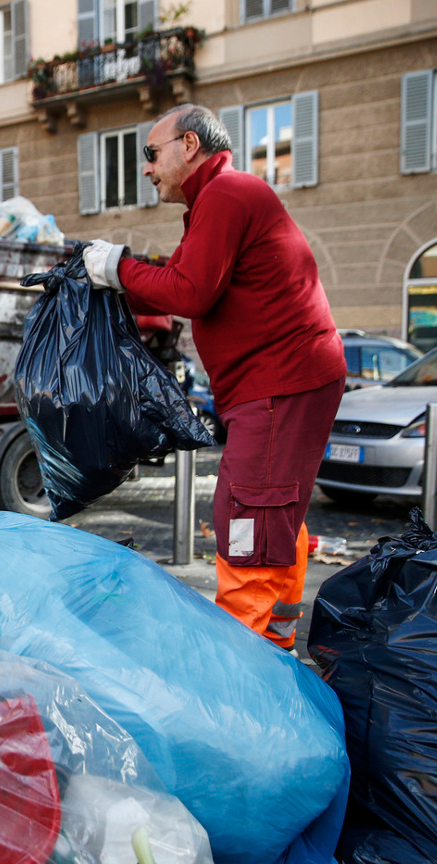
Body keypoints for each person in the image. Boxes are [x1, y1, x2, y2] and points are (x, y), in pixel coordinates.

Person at [82, 103, 346, 653]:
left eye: (152, 154)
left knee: (247, 512)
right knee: (273, 509)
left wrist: (116, 267)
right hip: (283, 379)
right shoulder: (220, 201)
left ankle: (239, 668)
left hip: (278, 381)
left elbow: (191, 291)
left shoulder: (226, 194)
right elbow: (185, 283)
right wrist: (130, 282)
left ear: (189, 146)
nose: (147, 169)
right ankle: (275, 643)